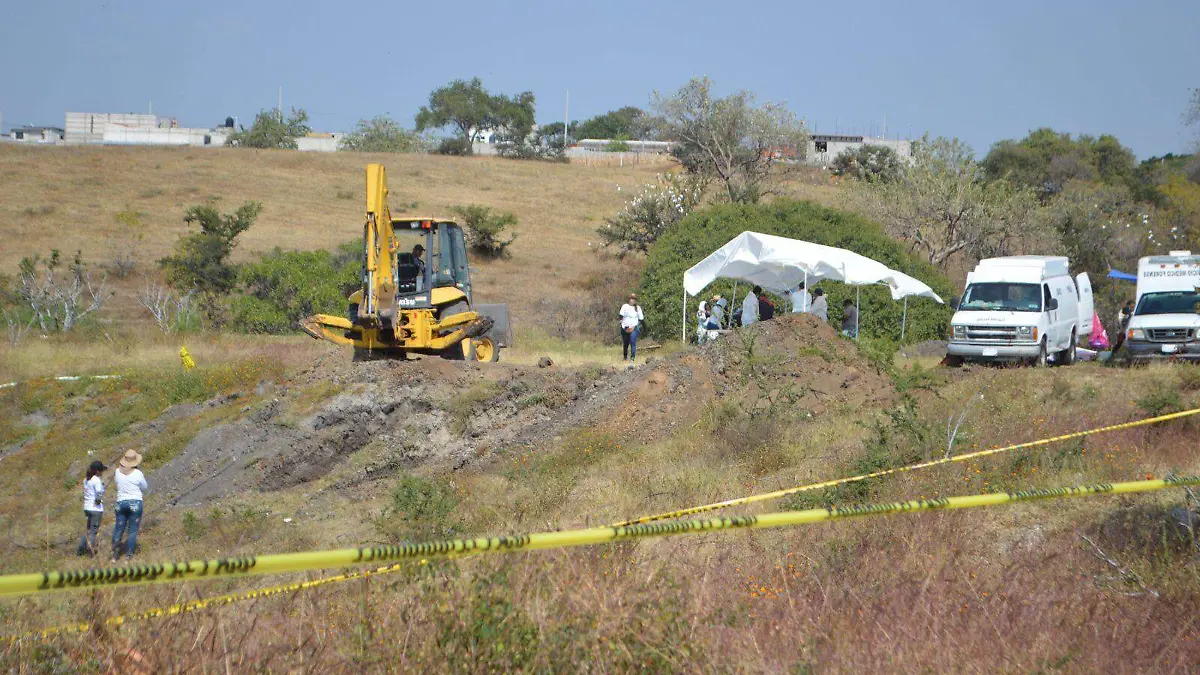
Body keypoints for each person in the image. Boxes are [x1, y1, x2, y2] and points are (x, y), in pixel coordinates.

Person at [111, 449, 148, 563]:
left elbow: (117, 483)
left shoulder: (117, 472)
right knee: (132, 530)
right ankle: (128, 556)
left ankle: (115, 555)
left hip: (121, 503)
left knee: (118, 529)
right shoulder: (138, 473)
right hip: (135, 503)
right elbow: (145, 487)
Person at [76, 460, 107, 557]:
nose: (102, 472)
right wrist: (98, 500)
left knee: (88, 530)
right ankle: (91, 552)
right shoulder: (96, 480)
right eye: (101, 470)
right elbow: (98, 493)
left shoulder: (86, 479)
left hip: (87, 507)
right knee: (93, 531)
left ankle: (80, 550)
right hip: (95, 509)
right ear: (97, 471)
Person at [619, 293, 644, 362]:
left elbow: (641, 319)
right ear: (629, 299)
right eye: (631, 298)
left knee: (633, 342)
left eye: (634, 299)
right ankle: (625, 357)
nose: (632, 300)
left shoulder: (638, 308)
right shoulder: (624, 306)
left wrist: (642, 327)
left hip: (634, 327)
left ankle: (632, 358)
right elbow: (621, 315)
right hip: (625, 327)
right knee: (626, 343)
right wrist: (621, 322)